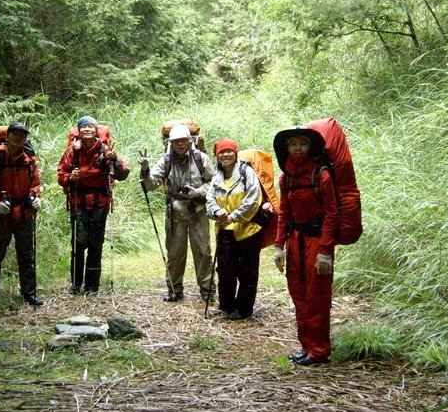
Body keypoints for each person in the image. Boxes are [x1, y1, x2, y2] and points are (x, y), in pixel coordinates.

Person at [272, 128, 339, 366]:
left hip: (317, 240)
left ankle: (319, 350)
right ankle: (306, 346)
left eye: (303, 143)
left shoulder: (322, 175)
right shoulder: (286, 177)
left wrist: (325, 251)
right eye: (293, 144)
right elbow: (285, 213)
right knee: (298, 293)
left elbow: (332, 214)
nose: (298, 148)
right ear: (286, 148)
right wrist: (278, 246)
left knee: (317, 296)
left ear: (311, 147)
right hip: (295, 240)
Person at [139, 124, 215, 302]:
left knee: (203, 252)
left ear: (189, 141)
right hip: (175, 213)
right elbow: (150, 185)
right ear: (170, 143)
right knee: (174, 253)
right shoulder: (165, 161)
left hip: (198, 210)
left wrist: (197, 192)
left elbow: (213, 183)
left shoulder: (201, 158)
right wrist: (145, 170)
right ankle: (174, 290)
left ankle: (207, 292)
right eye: (176, 141)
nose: (180, 144)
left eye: (183, 141)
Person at [57, 116, 130, 295]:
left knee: (96, 244)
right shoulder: (71, 151)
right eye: (84, 127)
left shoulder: (105, 150)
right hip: (78, 202)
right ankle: (76, 285)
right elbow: (61, 175)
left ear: (96, 130)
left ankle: (92, 287)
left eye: (91, 126)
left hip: (100, 203)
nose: (87, 129)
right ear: (79, 131)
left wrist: (113, 159)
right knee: (78, 243)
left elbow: (122, 174)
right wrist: (69, 178)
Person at [0, 122, 43, 306]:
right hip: (2, 212)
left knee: (27, 255)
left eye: (22, 135)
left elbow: (35, 184)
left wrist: (36, 197)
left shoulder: (29, 160)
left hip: (24, 212)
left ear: (26, 138)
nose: (18, 138)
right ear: (7, 136)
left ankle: (29, 292)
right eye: (15, 134)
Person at [205, 138, 265, 320]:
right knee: (225, 271)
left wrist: (234, 216)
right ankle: (226, 306)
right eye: (221, 152)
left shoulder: (247, 172)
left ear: (235, 152)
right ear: (216, 156)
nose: (225, 155)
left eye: (229, 151)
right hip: (225, 229)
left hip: (248, 230)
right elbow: (210, 200)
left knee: (247, 272)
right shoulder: (217, 176)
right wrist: (217, 212)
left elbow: (253, 199)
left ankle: (244, 309)